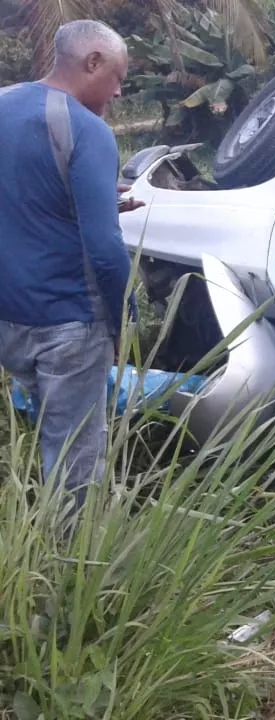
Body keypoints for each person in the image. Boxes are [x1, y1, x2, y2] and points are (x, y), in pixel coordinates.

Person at [0, 19, 143, 509]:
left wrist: (98, 197)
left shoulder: (4, 104)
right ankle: (71, 570)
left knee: (41, 432)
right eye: (119, 78)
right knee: (75, 462)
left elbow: (25, 196)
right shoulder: (87, 129)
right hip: (67, 323)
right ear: (93, 62)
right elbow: (104, 248)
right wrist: (126, 318)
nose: (119, 91)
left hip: (8, 314)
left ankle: (27, 537)